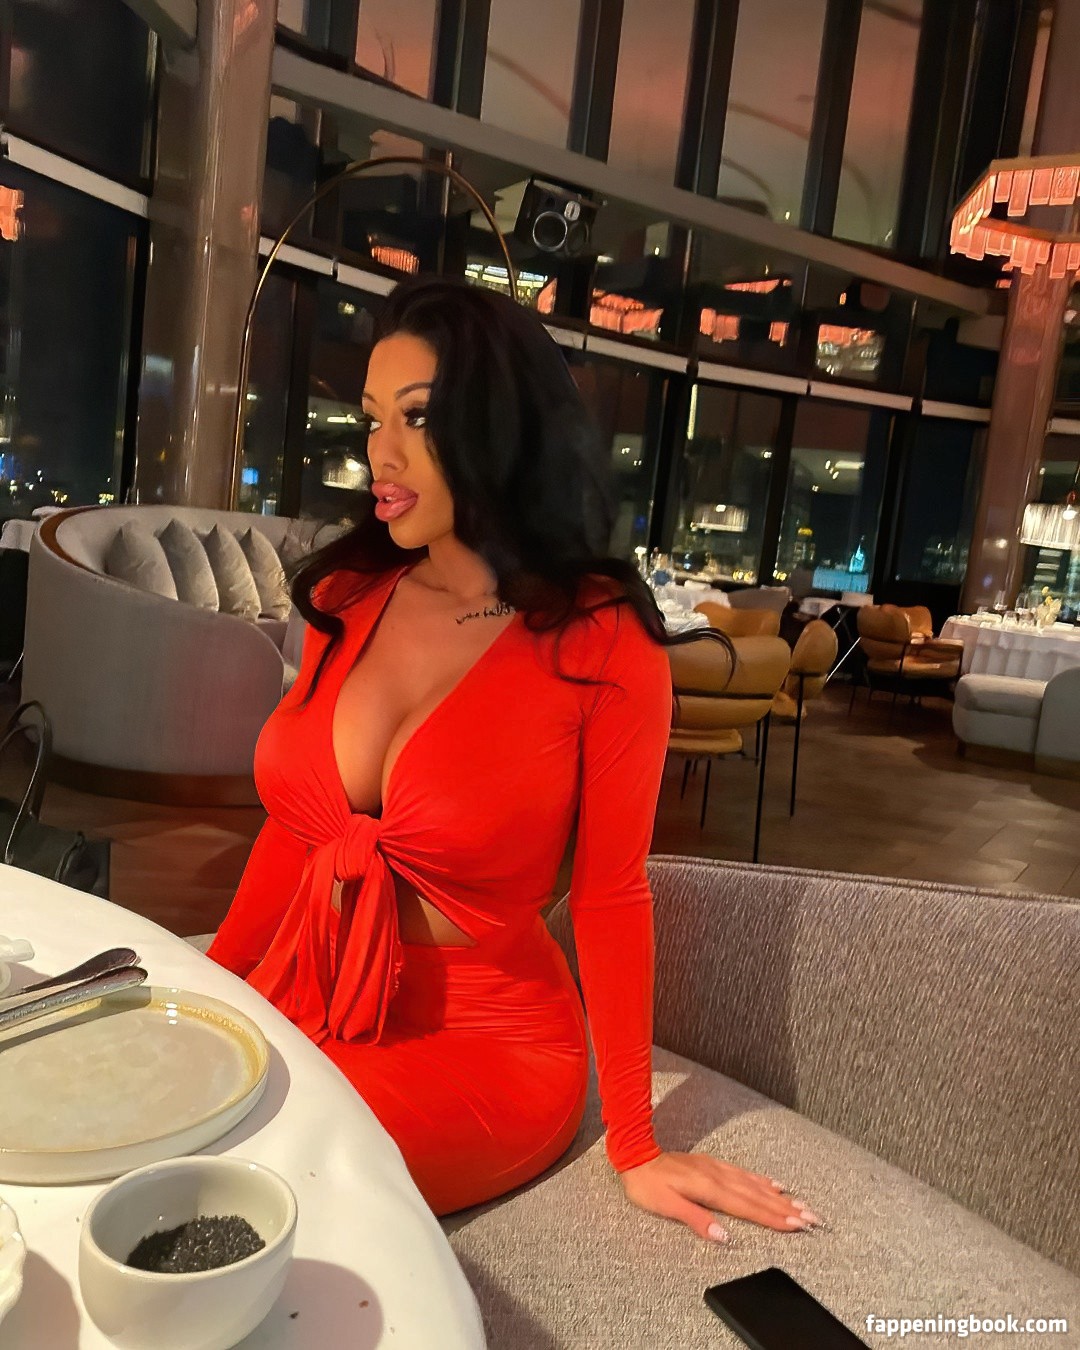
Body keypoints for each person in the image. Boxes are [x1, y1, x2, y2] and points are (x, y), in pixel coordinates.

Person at [209, 275, 819, 1242]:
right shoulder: (351, 595)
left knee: (260, 1176)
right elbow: (296, 833)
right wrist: (217, 988)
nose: (380, 453)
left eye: (418, 417)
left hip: (484, 1043)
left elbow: (612, 895)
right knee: (156, 1121)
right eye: (371, 418)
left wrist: (635, 1141)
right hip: (308, 985)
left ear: (501, 426)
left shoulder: (601, 639)